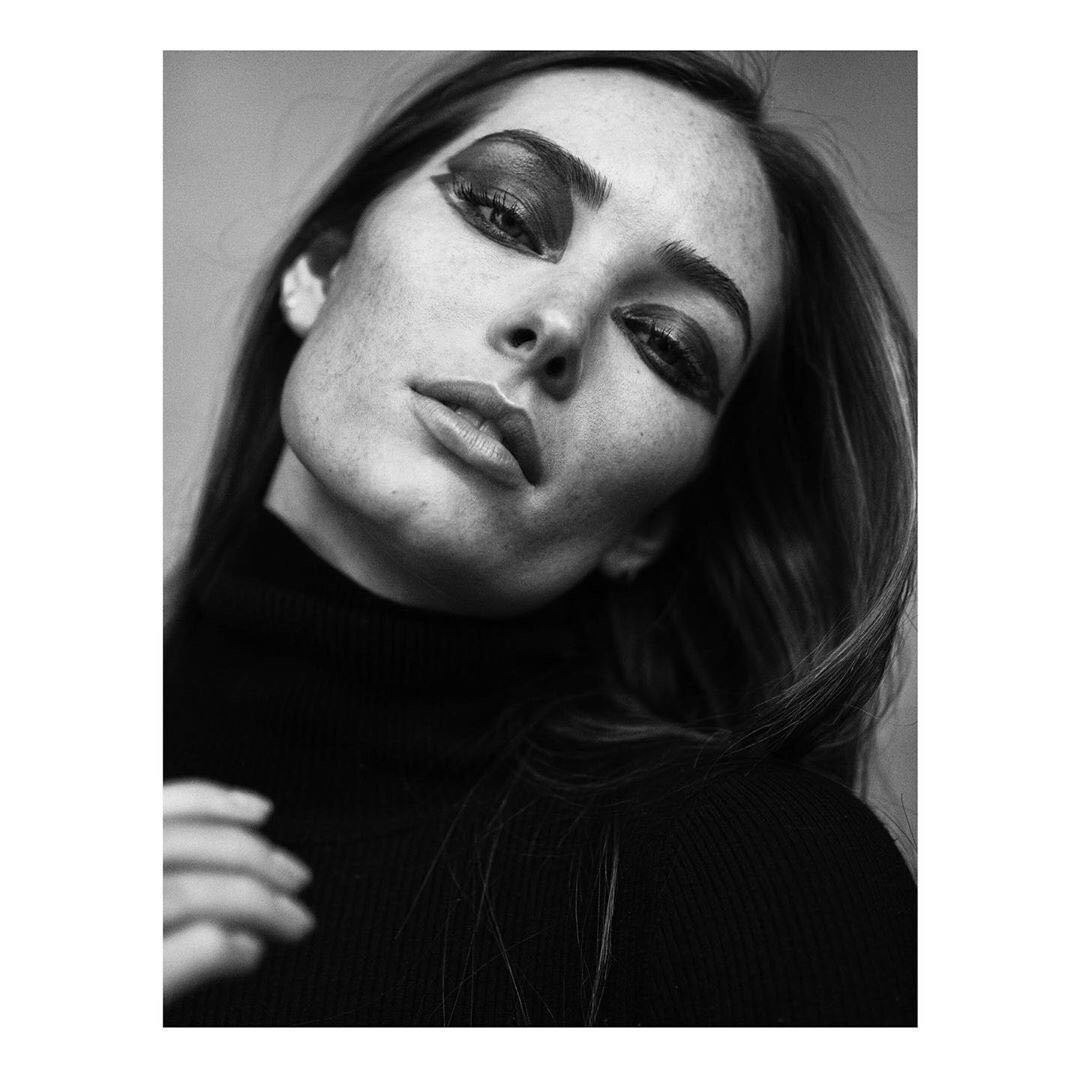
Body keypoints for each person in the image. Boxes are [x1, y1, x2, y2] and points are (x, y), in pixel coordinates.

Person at [164, 50, 916, 1026]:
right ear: (322, 267)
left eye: (667, 343)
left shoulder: (770, 883)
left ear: (654, 524)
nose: (559, 324)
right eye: (506, 214)